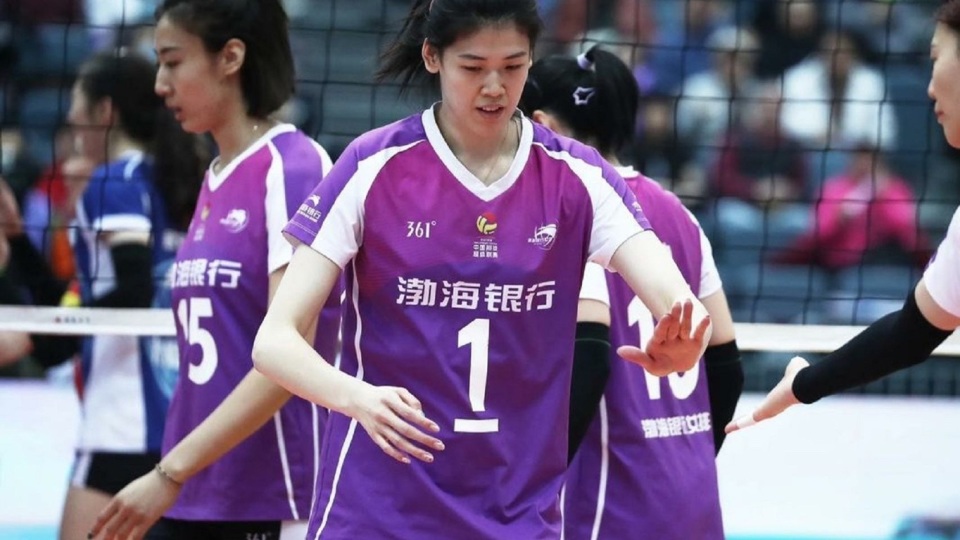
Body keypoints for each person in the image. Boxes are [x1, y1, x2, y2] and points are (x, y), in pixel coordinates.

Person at [250, 1, 713, 539]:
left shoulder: (579, 176)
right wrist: (357, 398)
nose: (494, 86)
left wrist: (686, 341)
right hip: (377, 509)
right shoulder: (372, 164)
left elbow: (678, 302)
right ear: (432, 57)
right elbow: (273, 343)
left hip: (516, 515)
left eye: (513, 66)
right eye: (473, 67)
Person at [88, 1, 340, 539]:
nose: (160, 84)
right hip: (197, 487)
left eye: (173, 61)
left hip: (272, 496)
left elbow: (291, 354)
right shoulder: (216, 175)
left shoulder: (292, 167)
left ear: (230, 58)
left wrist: (169, 472)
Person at [520, 45, 742, 539]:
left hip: (610, 505)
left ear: (542, 126)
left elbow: (591, 363)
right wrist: (684, 458)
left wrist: (527, 486)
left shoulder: (568, 210)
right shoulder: (679, 213)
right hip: (693, 500)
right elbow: (726, 365)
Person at [725, 0, 960, 434]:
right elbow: (911, 334)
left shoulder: (892, 194)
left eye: (935, 59)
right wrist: (802, 385)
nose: (929, 89)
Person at [0, 50, 207, 540]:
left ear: (105, 111)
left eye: (77, 109)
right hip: (185, 422)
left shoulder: (114, 181)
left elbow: (131, 292)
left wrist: (33, 336)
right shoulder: (180, 180)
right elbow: (75, 323)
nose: (73, 124)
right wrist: (17, 237)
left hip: (121, 423)